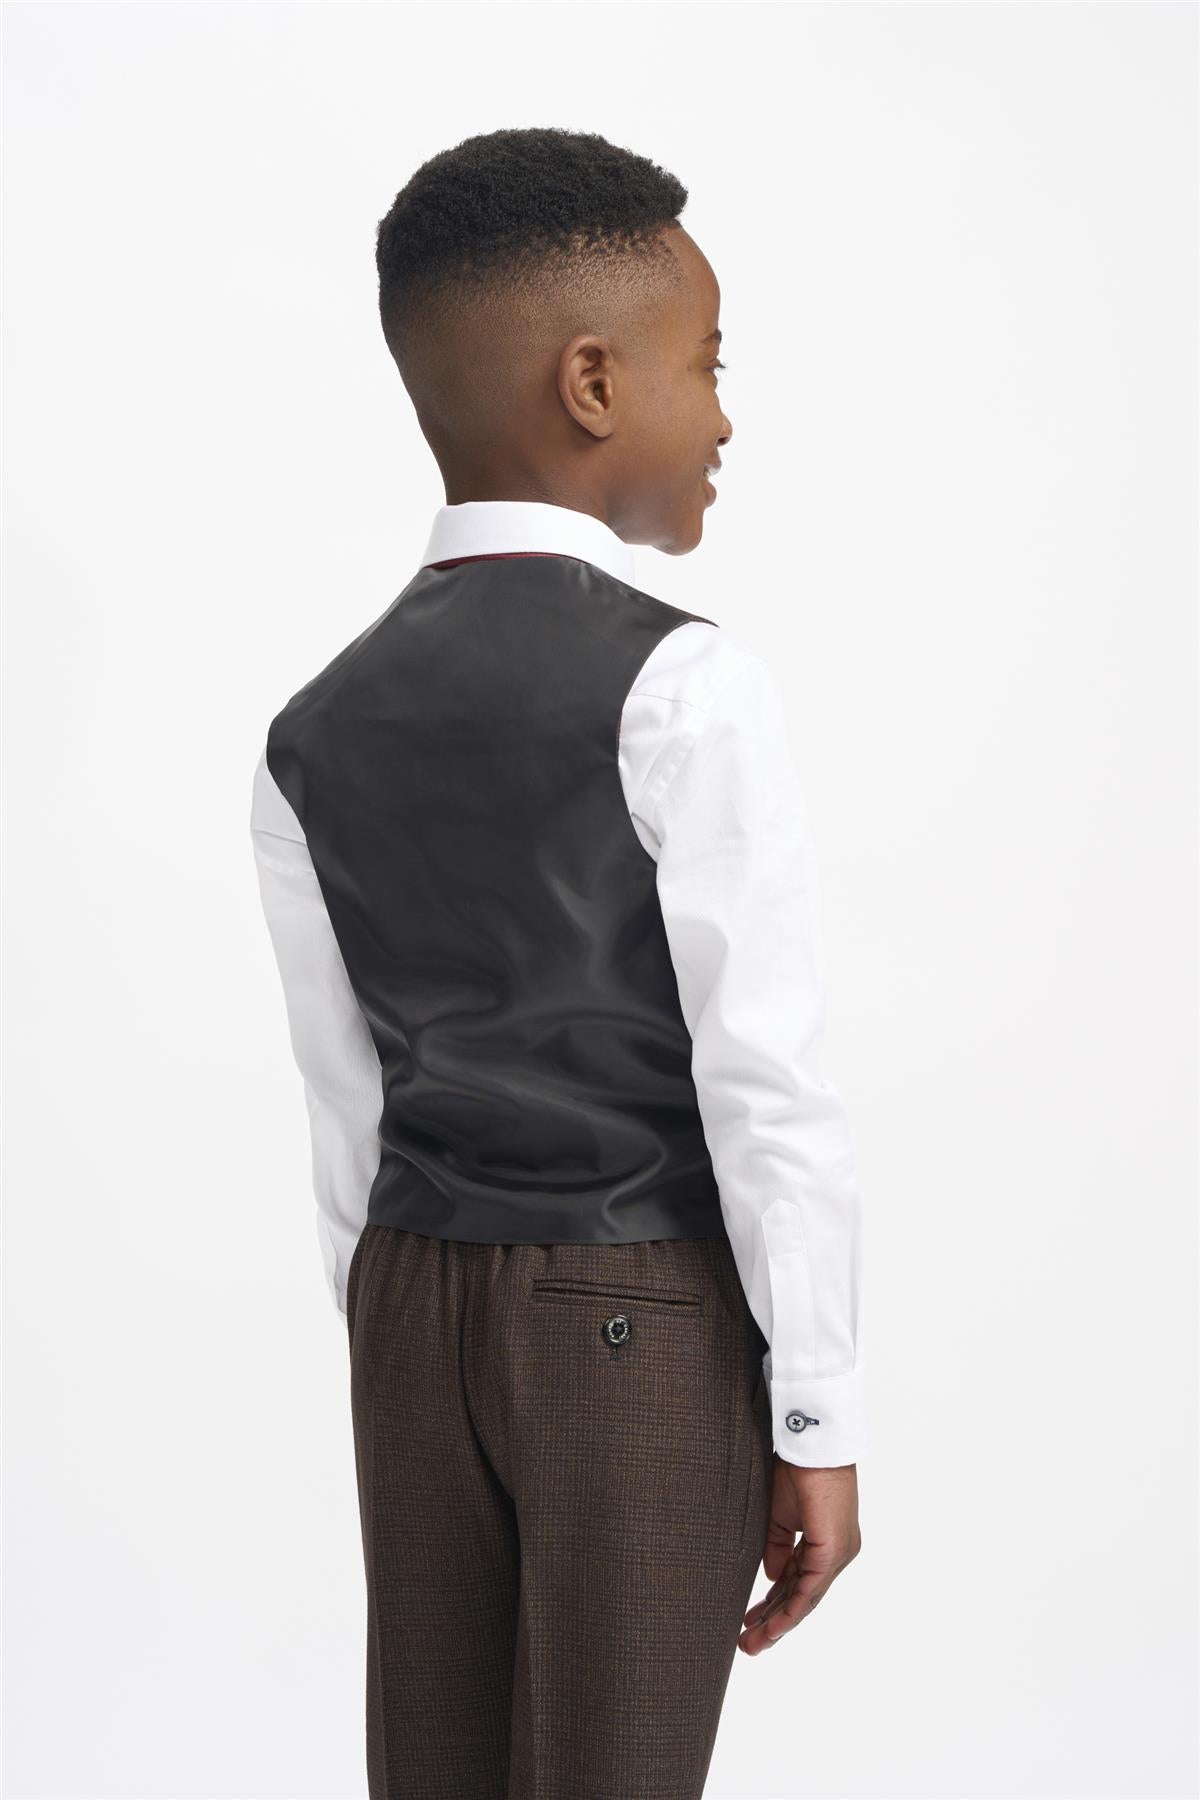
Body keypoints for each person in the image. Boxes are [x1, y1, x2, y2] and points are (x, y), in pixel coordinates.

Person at [250, 125, 866, 1800]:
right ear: (593, 383)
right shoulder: (688, 687)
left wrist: (402, 1338)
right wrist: (814, 1412)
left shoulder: (310, 730)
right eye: (707, 364)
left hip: (409, 1297)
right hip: (634, 1310)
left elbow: (345, 1104)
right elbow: (765, 1083)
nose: (724, 416)